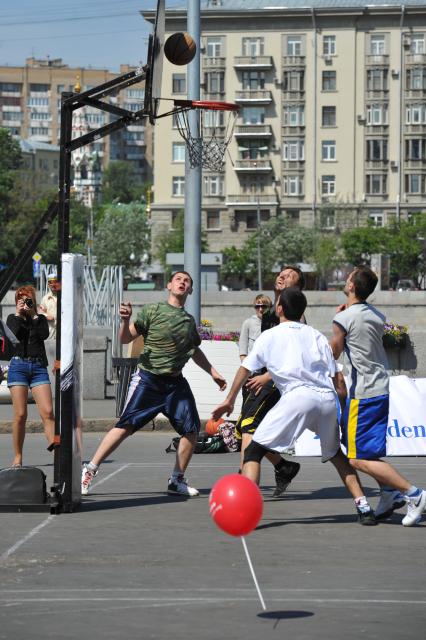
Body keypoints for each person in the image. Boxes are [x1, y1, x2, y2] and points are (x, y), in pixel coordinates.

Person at [212, 287, 377, 525]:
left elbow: (245, 368)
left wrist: (229, 399)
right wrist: (341, 412)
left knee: (253, 451)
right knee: (337, 456)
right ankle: (364, 508)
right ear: (302, 311)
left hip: (298, 398)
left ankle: (245, 511)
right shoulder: (317, 336)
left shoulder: (270, 335)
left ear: (279, 308)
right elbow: (338, 380)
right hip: (327, 400)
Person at [81, 271, 227, 497]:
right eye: (178, 279)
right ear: (169, 285)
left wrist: (213, 372)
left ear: (190, 290)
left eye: (187, 281)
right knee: (124, 427)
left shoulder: (189, 322)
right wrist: (125, 320)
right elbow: (125, 339)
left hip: (175, 384)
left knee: (191, 430)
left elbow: (194, 350)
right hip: (148, 381)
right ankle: (89, 470)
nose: (182, 282)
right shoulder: (153, 311)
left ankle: (176, 480)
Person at [331, 266, 426, 527]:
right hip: (380, 389)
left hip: (362, 395)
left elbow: (334, 353)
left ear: (351, 286)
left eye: (348, 276)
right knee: (369, 454)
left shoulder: (345, 318)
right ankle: (389, 494)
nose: (346, 278)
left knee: (356, 458)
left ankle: (414, 494)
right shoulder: (376, 314)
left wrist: (335, 326)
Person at [235, 266, 305, 497]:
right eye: (281, 273)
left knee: (249, 426)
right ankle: (283, 466)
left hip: (277, 380)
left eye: (290, 276)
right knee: (247, 427)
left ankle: (245, 486)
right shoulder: (268, 315)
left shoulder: (297, 317)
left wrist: (268, 376)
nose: (282, 276)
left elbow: (294, 357)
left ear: (296, 287)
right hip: (261, 379)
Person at [6, 286, 55, 467]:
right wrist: (19, 315)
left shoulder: (39, 319)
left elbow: (44, 334)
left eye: (28, 300)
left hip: (38, 367)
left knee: (48, 412)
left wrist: (34, 314)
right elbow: (13, 336)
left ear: (33, 301)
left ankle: (55, 451)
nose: (25, 303)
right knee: (20, 415)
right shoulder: (12, 319)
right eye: (21, 299)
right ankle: (18, 456)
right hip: (18, 366)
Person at [239, 293, 272, 403]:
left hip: (268, 374)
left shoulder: (273, 324)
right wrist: (249, 371)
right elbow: (243, 351)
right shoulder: (248, 323)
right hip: (252, 373)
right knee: (247, 404)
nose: (261, 309)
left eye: (264, 306)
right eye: (257, 306)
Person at [38, 272, 60, 339]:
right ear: (48, 284)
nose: (53, 284)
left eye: (55, 282)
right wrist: (47, 315)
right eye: (50, 282)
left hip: (63, 332)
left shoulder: (64, 297)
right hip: (51, 331)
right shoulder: (45, 298)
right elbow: (40, 312)